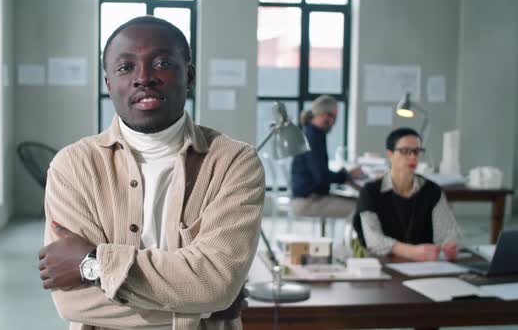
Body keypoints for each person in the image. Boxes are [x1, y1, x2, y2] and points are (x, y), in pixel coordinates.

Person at [37, 16, 265, 330]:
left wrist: (91, 265)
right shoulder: (72, 166)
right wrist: (203, 306)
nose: (144, 78)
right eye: (125, 67)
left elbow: (217, 284)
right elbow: (73, 302)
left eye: (162, 63)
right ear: (108, 84)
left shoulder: (234, 162)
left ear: (190, 76)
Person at [353, 128, 461, 261]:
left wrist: (449, 247)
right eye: (405, 151)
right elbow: (373, 240)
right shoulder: (371, 191)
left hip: (425, 266)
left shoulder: (432, 190)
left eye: (417, 151)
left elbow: (448, 233)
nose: (413, 157)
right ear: (390, 154)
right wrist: (411, 251)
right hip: (384, 263)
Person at [290, 95, 363, 219]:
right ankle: (351, 239)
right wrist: (346, 175)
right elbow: (321, 177)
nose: (334, 123)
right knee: (362, 208)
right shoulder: (313, 138)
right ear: (325, 116)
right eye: (334, 117)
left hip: (311, 196)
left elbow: (320, 172)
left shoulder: (312, 133)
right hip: (307, 201)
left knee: (362, 202)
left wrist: (343, 175)